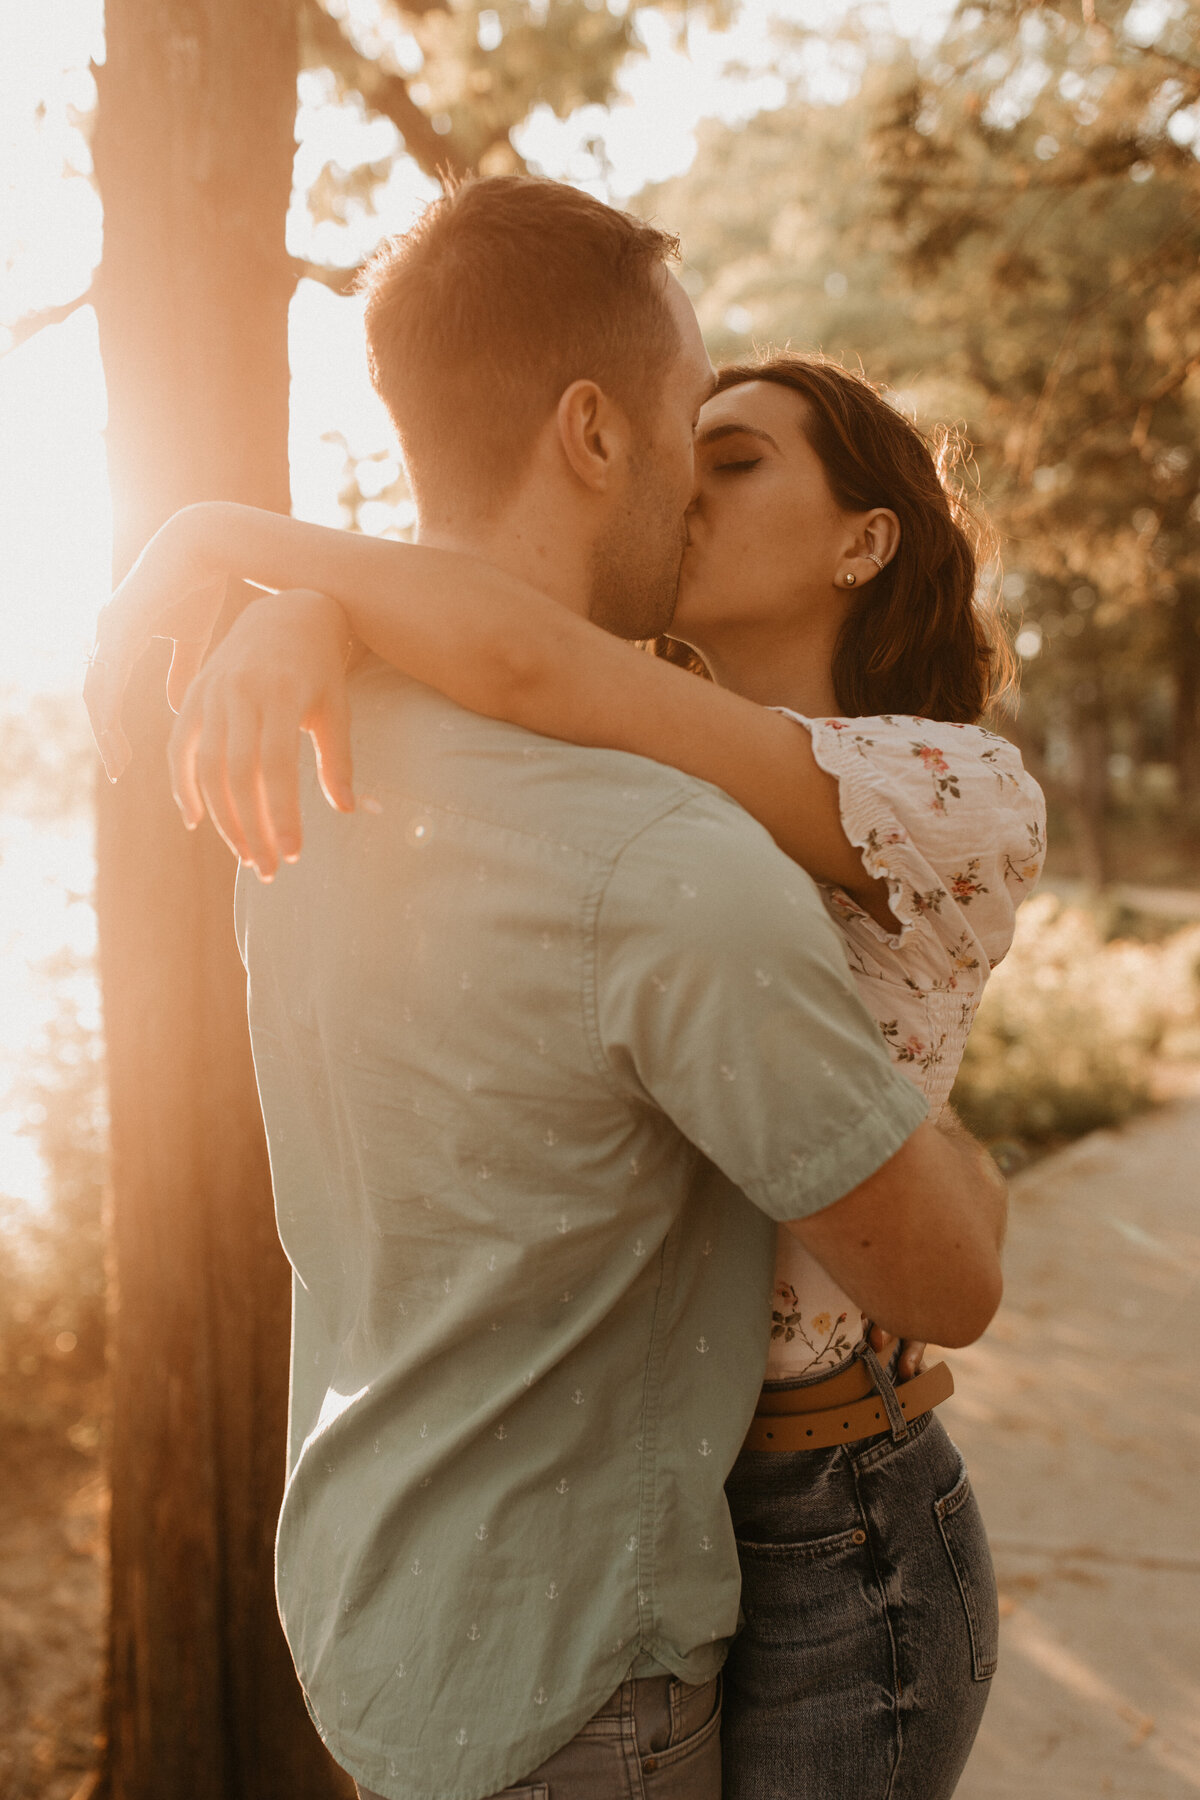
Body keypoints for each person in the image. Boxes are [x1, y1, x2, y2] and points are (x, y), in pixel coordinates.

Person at [86, 176, 1010, 1800]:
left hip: (684, 1541)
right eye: (684, 436)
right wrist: (301, 600)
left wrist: (262, 566)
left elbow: (527, 655)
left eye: (742, 460)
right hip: (603, 1621)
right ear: (593, 433)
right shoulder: (663, 833)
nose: (693, 490)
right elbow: (525, 654)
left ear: (868, 540)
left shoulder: (338, 765)